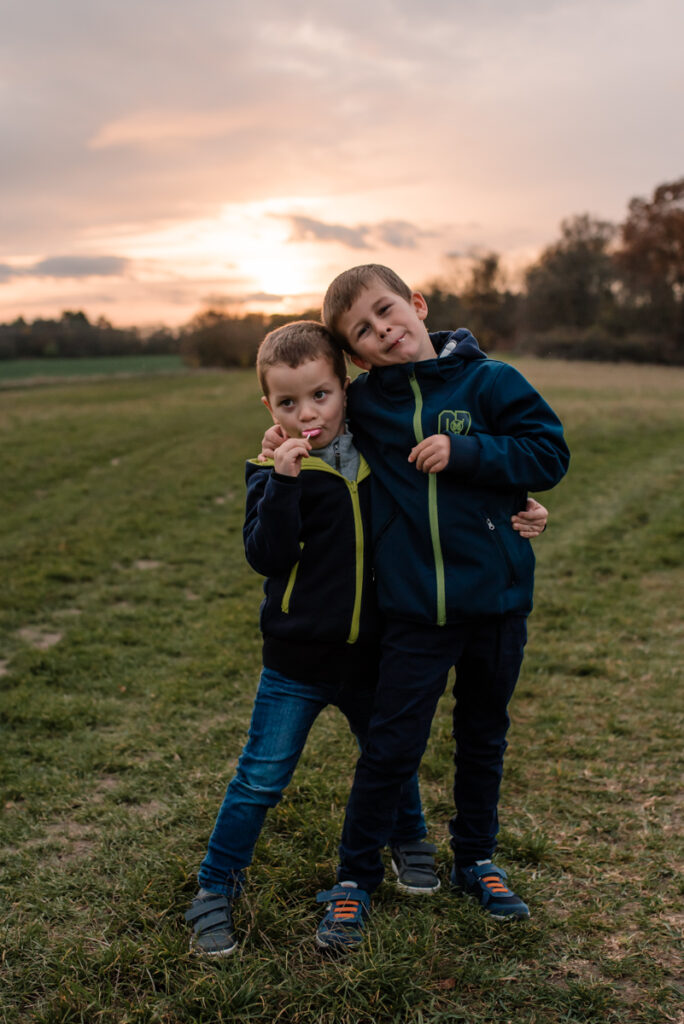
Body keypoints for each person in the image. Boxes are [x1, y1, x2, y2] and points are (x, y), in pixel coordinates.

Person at [186, 320, 549, 956]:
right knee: (261, 777)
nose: (307, 415)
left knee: (391, 757)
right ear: (267, 407)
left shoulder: (380, 457)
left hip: (376, 655)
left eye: (320, 395)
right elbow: (266, 557)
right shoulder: (270, 470)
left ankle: (412, 843)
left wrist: (524, 508)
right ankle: (216, 883)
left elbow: (445, 500)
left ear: (346, 390)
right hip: (296, 662)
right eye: (288, 403)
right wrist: (282, 481)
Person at [310, 264, 569, 953]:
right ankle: (354, 879)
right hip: (415, 612)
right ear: (357, 353)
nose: (382, 330)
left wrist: (469, 452)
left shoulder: (493, 382)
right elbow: (316, 422)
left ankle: (476, 860)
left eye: (387, 310)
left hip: (497, 604)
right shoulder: (368, 405)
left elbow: (549, 452)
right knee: (391, 746)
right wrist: (278, 448)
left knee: (484, 735)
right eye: (362, 331)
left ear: (417, 304)